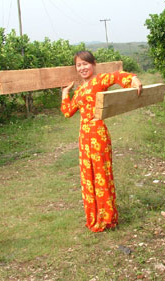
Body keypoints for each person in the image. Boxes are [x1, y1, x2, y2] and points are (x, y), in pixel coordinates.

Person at [60, 50, 142, 232]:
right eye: (79, 65)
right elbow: (68, 112)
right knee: (88, 178)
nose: (82, 68)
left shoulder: (99, 80)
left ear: (93, 64)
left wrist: (133, 79)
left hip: (98, 134)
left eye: (85, 64)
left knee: (101, 175)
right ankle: (94, 217)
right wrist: (65, 93)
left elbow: (117, 76)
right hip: (83, 138)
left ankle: (107, 218)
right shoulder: (80, 90)